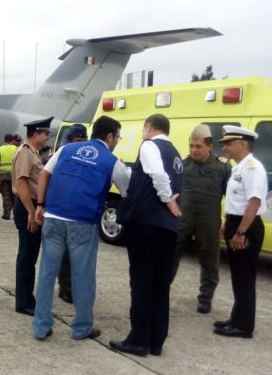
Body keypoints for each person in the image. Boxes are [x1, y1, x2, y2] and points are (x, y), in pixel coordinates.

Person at [32, 116, 129, 340]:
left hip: (54, 216)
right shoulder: (112, 161)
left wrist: (41, 204)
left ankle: (41, 326)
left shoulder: (66, 150)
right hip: (83, 223)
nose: (117, 142)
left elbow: (45, 173)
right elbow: (127, 192)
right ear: (110, 136)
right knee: (83, 276)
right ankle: (81, 327)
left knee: (47, 272)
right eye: (117, 137)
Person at [110, 114, 182, 357]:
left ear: (149, 127)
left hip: (147, 225)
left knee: (141, 283)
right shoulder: (176, 153)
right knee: (160, 284)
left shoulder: (150, 145)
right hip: (168, 229)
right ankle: (155, 341)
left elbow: (157, 175)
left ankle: (138, 340)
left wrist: (166, 199)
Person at [214, 125, 267, 338]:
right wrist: (228, 224)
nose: (225, 147)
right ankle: (237, 318)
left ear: (243, 143)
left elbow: (254, 202)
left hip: (247, 227)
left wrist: (240, 232)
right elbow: (237, 201)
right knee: (238, 276)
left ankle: (243, 326)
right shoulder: (239, 168)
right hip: (237, 223)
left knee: (244, 277)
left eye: (229, 143)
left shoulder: (252, 168)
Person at [171, 124, 230, 314]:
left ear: (210, 146)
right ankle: (162, 290)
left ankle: (205, 298)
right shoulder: (184, 165)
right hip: (183, 218)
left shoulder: (222, 166)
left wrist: (226, 220)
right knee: (171, 256)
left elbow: (232, 196)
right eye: (191, 146)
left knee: (210, 261)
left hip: (208, 220)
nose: (194, 150)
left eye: (198, 146)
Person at [12, 117, 52, 315]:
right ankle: (25, 302)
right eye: (46, 134)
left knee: (29, 255)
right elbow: (21, 184)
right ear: (36, 133)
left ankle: (26, 299)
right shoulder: (25, 153)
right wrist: (30, 211)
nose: (48, 137)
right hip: (28, 207)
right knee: (27, 257)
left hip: (32, 207)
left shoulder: (33, 153)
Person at [56, 123, 89, 304]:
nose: (82, 143)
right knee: (66, 253)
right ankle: (65, 288)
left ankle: (74, 286)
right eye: (79, 139)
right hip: (63, 211)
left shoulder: (84, 158)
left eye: (85, 139)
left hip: (80, 212)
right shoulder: (62, 156)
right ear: (70, 140)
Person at [0, 134, 19, 220]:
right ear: (12, 140)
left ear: (4, 140)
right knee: (15, 195)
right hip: (15, 176)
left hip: (3, 176)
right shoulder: (16, 149)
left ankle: (6, 214)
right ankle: (16, 214)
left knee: (6, 195)